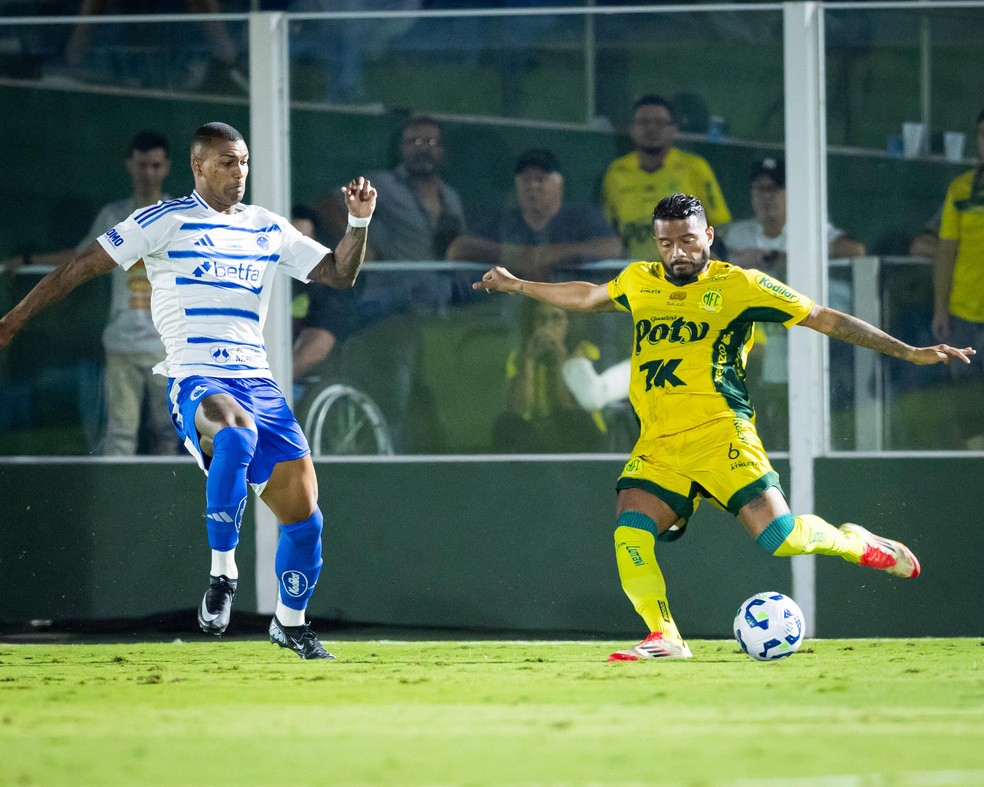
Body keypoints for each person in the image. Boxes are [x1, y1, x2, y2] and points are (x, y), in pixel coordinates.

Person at [473, 192, 974, 661]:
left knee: (781, 538)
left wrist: (908, 351)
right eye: (667, 243)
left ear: (709, 235)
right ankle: (663, 634)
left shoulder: (741, 286)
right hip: (659, 445)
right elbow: (587, 296)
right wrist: (517, 284)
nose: (678, 252)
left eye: (688, 240)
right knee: (630, 531)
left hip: (721, 435)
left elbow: (822, 316)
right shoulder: (639, 280)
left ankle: (856, 543)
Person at [0, 122, 377, 660]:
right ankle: (223, 574)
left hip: (259, 382)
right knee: (235, 436)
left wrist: (358, 222)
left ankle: (290, 625)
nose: (239, 171)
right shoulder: (163, 219)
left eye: (243, 161)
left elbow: (340, 274)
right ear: (198, 167)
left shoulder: (266, 227)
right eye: (226, 162)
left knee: (306, 520)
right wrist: (12, 320)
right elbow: (81, 267)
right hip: (197, 375)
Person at [3, 130, 178, 456]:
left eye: (155, 166)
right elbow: (80, 260)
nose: (148, 173)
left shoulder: (178, 218)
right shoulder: (114, 217)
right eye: (142, 165)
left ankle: (162, 503)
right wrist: (29, 260)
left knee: (168, 433)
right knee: (120, 436)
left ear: (166, 167)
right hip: (121, 342)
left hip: (166, 345)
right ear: (130, 165)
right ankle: (117, 502)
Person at [446, 148, 622, 280]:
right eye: (526, 180)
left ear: (559, 184)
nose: (532, 186)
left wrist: (553, 255)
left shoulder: (582, 217)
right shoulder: (501, 220)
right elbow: (457, 249)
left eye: (540, 179)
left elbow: (612, 248)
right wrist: (519, 256)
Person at [601, 94, 731, 261]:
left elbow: (720, 225)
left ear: (674, 129)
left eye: (659, 123)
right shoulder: (616, 172)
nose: (651, 129)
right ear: (631, 129)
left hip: (684, 271)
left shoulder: (695, 168)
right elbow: (606, 229)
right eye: (643, 123)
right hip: (632, 273)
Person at [930, 109, 984, 447]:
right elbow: (946, 251)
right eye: (982, 135)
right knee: (967, 402)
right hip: (965, 312)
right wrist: (940, 309)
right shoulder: (961, 189)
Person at [717, 157, 866, 279]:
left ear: (790, 191)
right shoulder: (737, 232)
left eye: (773, 189)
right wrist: (733, 259)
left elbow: (856, 251)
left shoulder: (810, 229)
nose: (766, 196)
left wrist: (780, 259)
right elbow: (705, 257)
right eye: (759, 189)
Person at [493, 298, 606, 453]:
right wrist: (529, 361)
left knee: (572, 420)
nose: (547, 326)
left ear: (569, 324)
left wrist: (561, 359)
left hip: (578, 438)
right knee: (506, 423)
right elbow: (516, 411)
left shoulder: (585, 354)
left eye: (556, 318)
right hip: (537, 437)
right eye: (541, 319)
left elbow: (569, 408)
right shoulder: (519, 358)